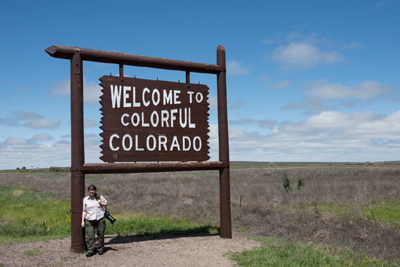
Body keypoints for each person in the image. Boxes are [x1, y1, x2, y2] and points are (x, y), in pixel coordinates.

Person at [81, 184, 108, 257]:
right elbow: (84, 210)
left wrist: (100, 202)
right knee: (90, 235)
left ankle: (100, 248)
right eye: (90, 190)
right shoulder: (85, 199)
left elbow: (106, 204)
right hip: (90, 218)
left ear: (95, 191)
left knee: (101, 233)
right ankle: (90, 250)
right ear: (88, 191)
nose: (91, 191)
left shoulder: (99, 197)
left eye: (93, 190)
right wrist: (82, 220)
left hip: (100, 217)